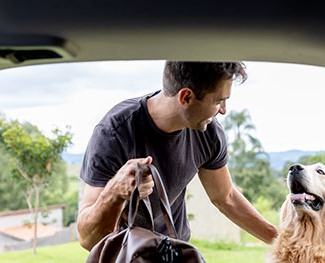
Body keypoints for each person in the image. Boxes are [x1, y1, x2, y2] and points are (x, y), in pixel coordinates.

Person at [77, 61, 277, 250]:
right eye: (219, 101)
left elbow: (226, 197)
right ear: (186, 98)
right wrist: (117, 191)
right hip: (123, 262)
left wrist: (283, 241)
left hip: (174, 258)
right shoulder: (114, 133)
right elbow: (88, 238)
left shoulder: (209, 133)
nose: (223, 111)